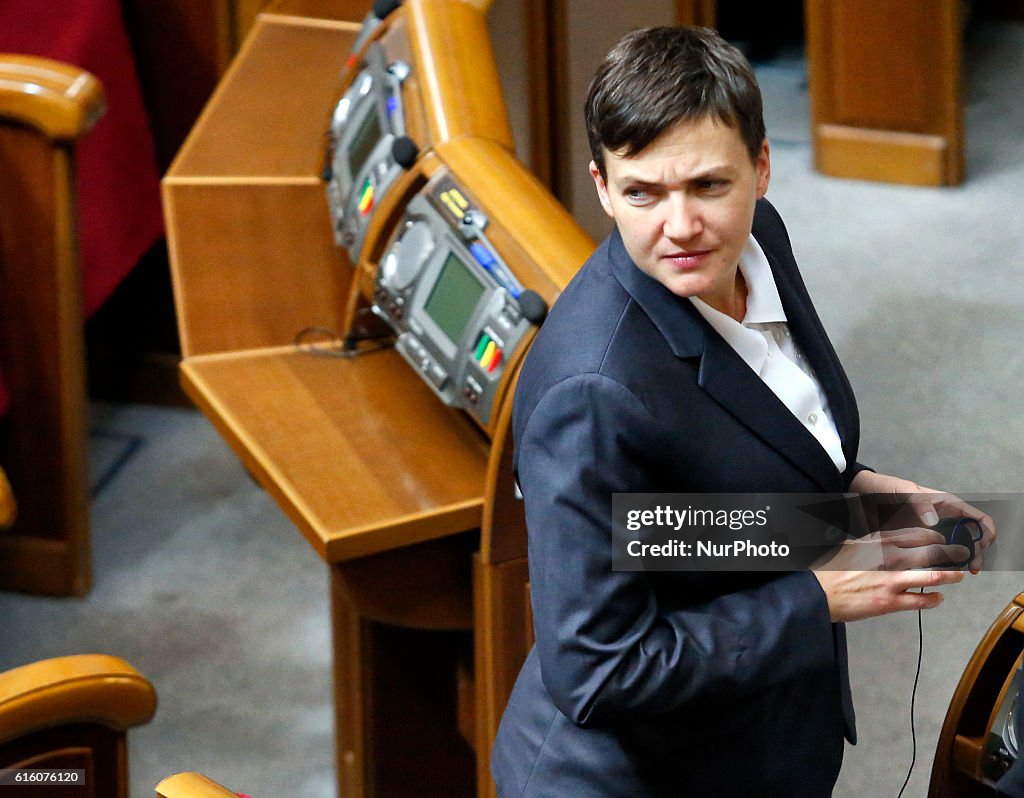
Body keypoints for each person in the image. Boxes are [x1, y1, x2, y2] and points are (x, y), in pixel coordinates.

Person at [490, 25, 995, 797]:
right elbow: (597, 670)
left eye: (707, 186)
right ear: (600, 185)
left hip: (756, 746)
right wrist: (815, 598)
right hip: (635, 778)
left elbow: (674, 519)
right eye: (642, 193)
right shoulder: (589, 395)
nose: (681, 227)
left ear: (761, 169)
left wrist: (854, 494)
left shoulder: (759, 238)